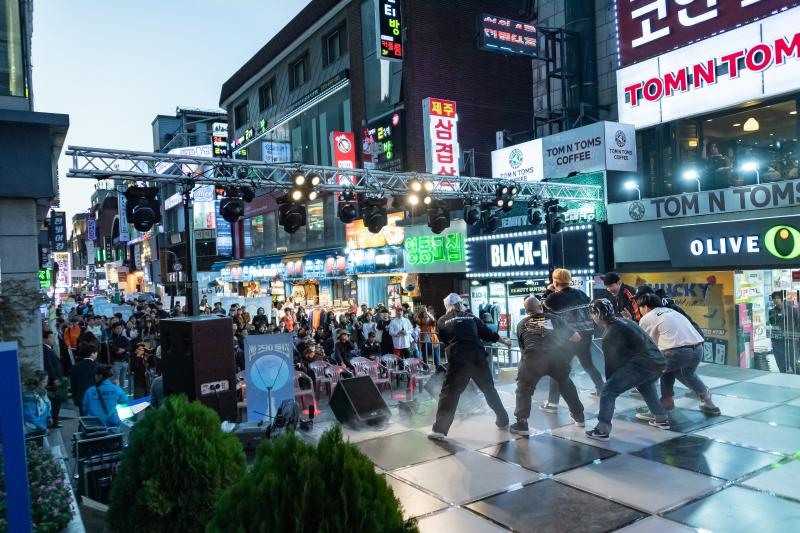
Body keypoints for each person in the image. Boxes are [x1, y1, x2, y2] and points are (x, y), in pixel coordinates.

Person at [429, 294, 513, 441]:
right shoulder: (471, 317)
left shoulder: (442, 320)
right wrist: (504, 341)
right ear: (460, 304)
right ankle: (503, 420)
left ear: (447, 306)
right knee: (489, 390)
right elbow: (487, 333)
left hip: (459, 360)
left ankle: (440, 430)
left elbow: (445, 340)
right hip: (478, 357)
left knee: (449, 394)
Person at [585, 299, 669, 441]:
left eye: (592, 314)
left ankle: (602, 430)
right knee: (646, 385)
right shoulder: (626, 322)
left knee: (608, 390)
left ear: (597, 314)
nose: (592, 318)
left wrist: (609, 387)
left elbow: (611, 364)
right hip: (658, 362)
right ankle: (661, 419)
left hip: (643, 364)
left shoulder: (610, 333)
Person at [635, 293, 720, 416]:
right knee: (687, 373)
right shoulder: (671, 311)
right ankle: (709, 403)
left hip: (677, 352)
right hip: (697, 348)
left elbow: (647, 344)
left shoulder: (647, 318)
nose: (640, 311)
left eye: (640, 308)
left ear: (645, 307)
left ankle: (660, 409)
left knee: (651, 374)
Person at [511, 297, 585, 435]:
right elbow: (577, 337)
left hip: (533, 357)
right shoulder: (553, 318)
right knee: (565, 383)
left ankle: (522, 424)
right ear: (541, 307)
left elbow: (523, 347)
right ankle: (579, 417)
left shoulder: (522, 323)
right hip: (555, 356)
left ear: (527, 311)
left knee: (524, 389)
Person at [541, 268, 604, 412]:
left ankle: (552, 403)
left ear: (555, 281)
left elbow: (542, 307)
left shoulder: (553, 298)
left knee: (557, 369)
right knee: (588, 364)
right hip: (586, 335)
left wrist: (548, 291)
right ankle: (601, 389)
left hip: (567, 338)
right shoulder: (581, 294)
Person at [768, 290, 798, 373]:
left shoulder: (792, 310)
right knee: (780, 361)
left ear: (782, 299)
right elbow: (772, 324)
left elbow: (797, 323)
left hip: (790, 339)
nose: (776, 300)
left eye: (778, 298)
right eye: (774, 298)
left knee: (793, 361)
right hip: (778, 340)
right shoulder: (771, 311)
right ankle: (783, 375)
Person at [71, 339, 99, 416]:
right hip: (95, 396)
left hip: (81, 396)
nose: (97, 355)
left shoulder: (75, 367)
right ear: (92, 354)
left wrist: (75, 397)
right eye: (96, 353)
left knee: (83, 418)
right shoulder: (97, 366)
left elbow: (73, 384)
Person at [42, 330, 64, 428]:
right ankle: (53, 421)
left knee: (56, 401)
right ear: (45, 339)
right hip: (52, 381)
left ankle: (55, 420)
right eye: (50, 337)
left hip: (56, 379)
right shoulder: (45, 350)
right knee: (55, 401)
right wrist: (54, 378)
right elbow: (49, 366)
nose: (52, 339)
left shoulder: (49, 349)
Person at [108, 322, 130, 390]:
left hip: (125, 362)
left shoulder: (123, 337)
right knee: (115, 381)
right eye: (117, 328)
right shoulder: (111, 339)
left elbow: (129, 346)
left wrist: (124, 350)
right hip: (116, 362)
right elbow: (116, 350)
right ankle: (115, 397)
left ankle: (121, 395)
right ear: (113, 329)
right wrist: (125, 350)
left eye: (120, 328)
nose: (119, 329)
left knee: (122, 380)